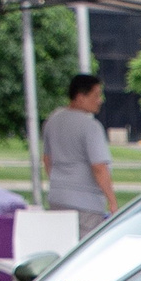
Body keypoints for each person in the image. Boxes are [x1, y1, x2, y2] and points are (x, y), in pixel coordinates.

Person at [43, 74, 119, 233]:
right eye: (96, 95)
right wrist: (112, 201)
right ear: (80, 97)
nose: (100, 100)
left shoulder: (52, 121)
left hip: (57, 197)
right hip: (86, 203)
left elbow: (47, 159)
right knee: (85, 252)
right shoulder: (91, 126)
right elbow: (99, 167)